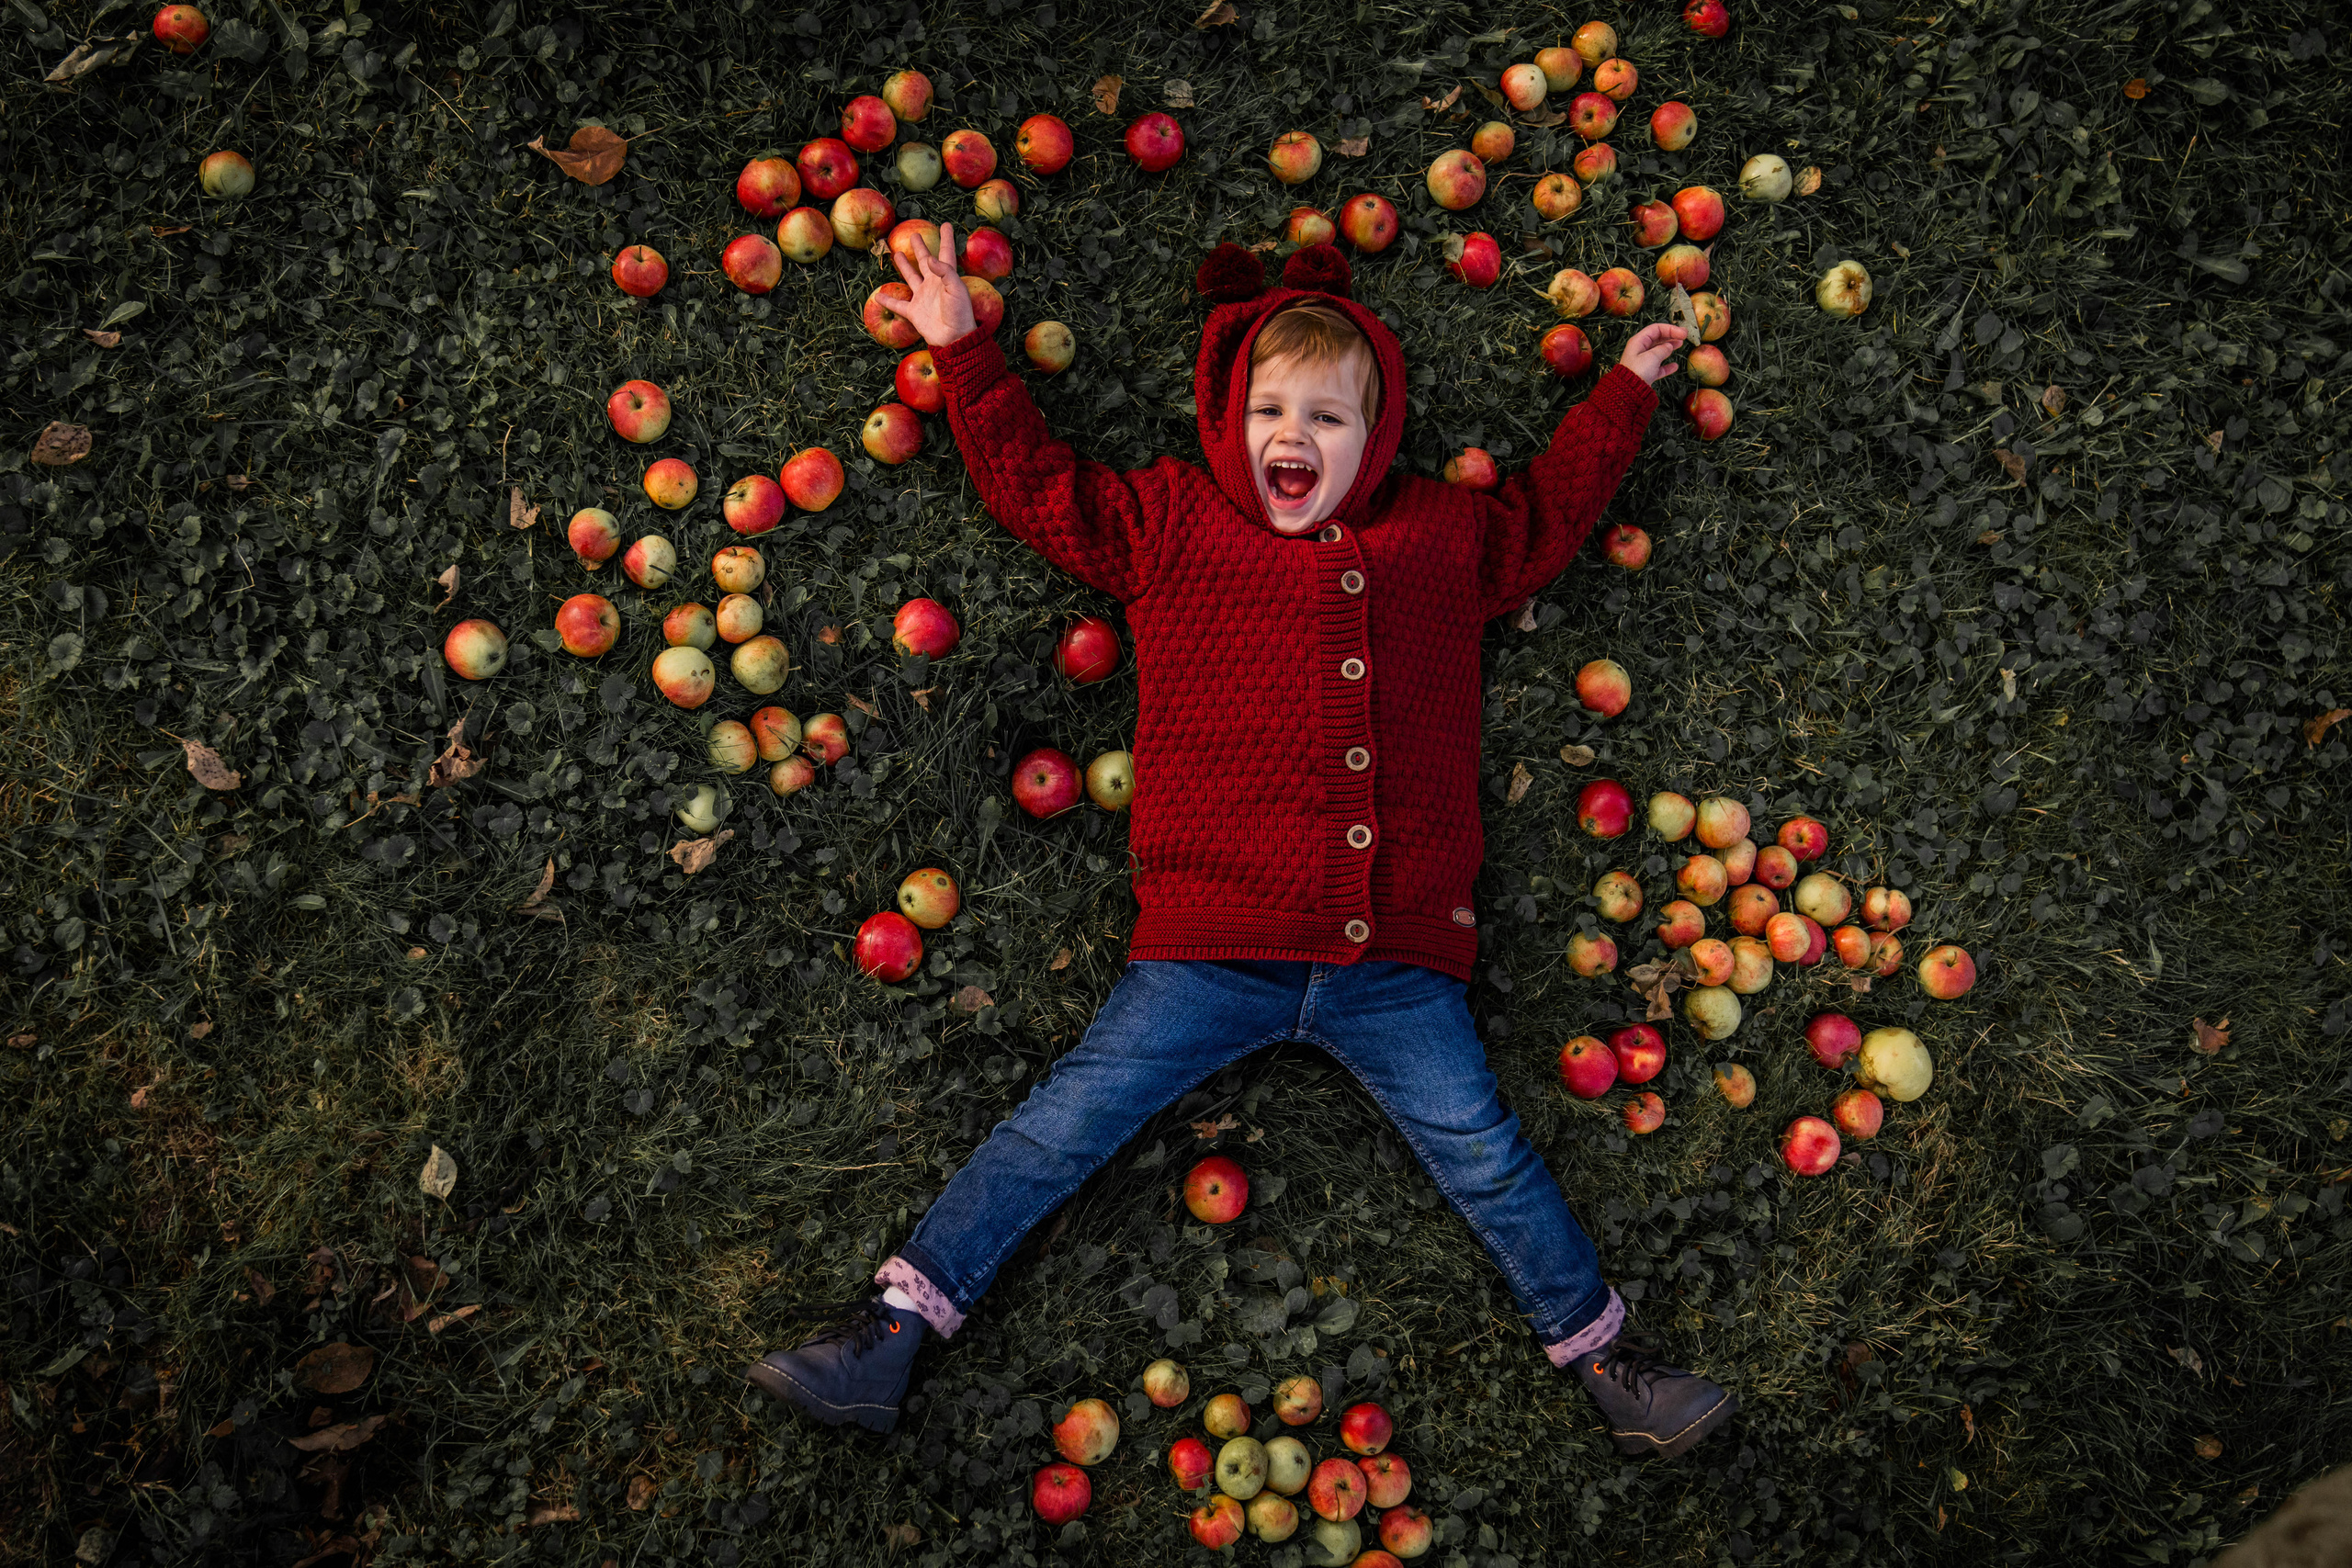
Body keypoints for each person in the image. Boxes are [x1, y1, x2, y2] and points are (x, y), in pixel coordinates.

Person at [746, 229, 1735, 1461]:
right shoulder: (1169, 523)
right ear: (1226, 412)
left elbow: (1545, 516)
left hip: (1396, 968)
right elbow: (1040, 486)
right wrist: (962, 347)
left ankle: (1610, 1362)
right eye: (1270, 407)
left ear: (1376, 436)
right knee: (1060, 1128)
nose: (1295, 435)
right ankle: (889, 1335)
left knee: (1486, 1157)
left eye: (1328, 416)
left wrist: (1626, 394)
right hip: (1209, 949)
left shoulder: (1438, 538)